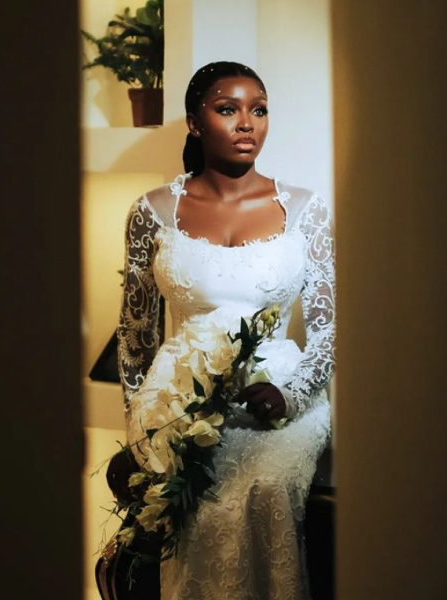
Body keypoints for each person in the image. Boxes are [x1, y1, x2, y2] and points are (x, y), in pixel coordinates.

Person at [117, 61, 336, 600]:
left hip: (278, 399)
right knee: (198, 497)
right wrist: (145, 425)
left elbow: (330, 329)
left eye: (258, 110)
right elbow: (135, 336)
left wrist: (290, 394)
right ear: (195, 123)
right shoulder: (151, 212)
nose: (246, 124)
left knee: (266, 488)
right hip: (177, 398)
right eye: (227, 109)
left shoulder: (305, 210)